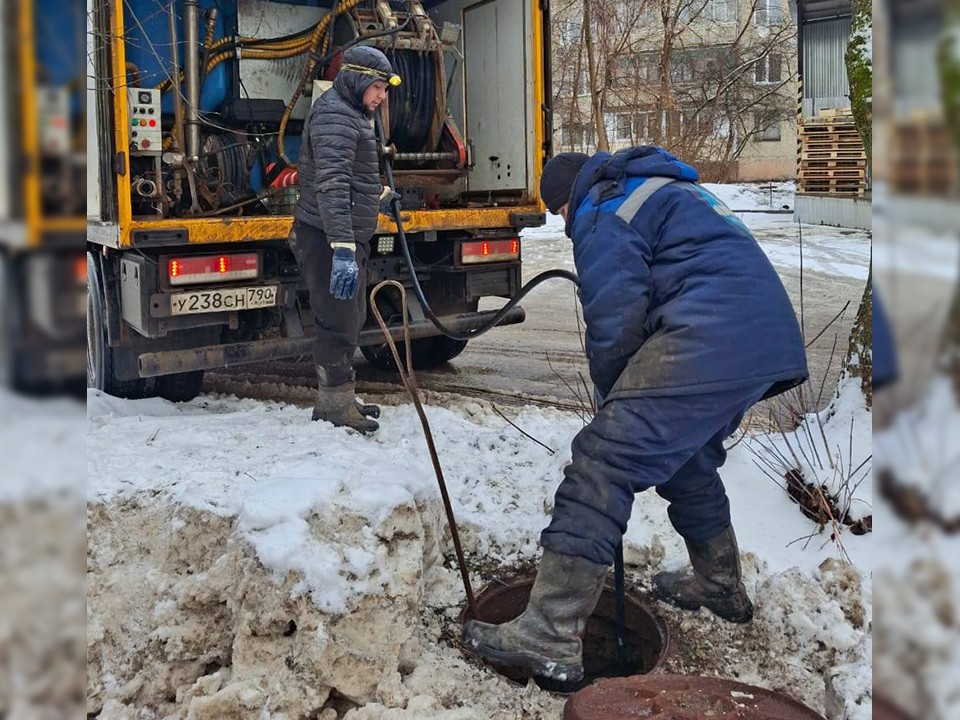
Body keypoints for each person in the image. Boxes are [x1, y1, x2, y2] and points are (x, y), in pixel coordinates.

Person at [462, 146, 809, 683]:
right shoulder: (661, 189)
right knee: (686, 457)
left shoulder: (601, 208)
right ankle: (719, 584)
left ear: (565, 200)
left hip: (711, 334)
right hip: (764, 339)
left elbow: (616, 321)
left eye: (559, 216)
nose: (565, 226)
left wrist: (612, 395)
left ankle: (549, 633)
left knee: (603, 460)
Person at [288, 45, 400, 434]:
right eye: (378, 88)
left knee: (351, 318)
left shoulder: (351, 114)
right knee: (336, 321)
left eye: (385, 90)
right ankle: (333, 405)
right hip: (326, 237)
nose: (382, 97)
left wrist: (380, 198)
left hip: (344, 235)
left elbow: (353, 178)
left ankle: (340, 397)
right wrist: (343, 248)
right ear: (355, 79)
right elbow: (332, 186)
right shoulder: (335, 115)